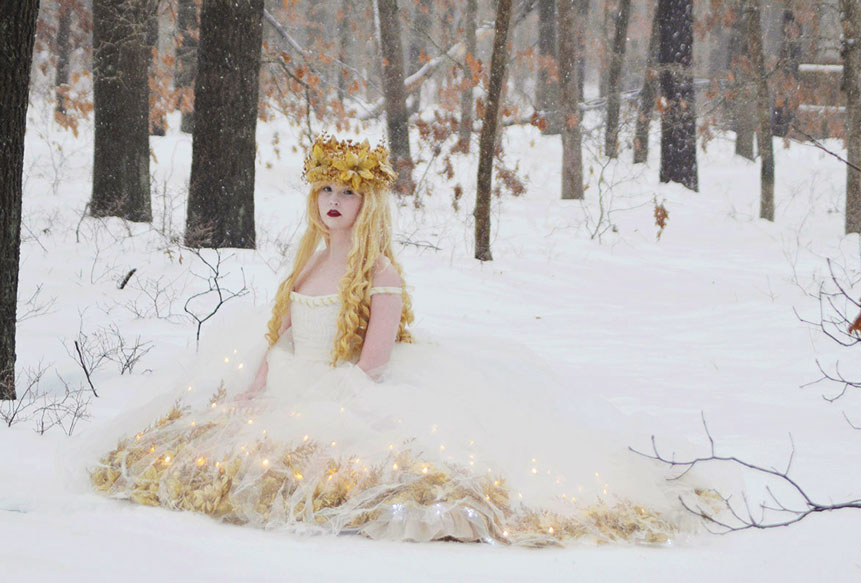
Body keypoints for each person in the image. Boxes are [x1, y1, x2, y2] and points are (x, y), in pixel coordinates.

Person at [90, 136, 691, 546]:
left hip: (349, 389)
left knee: (372, 472)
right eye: (326, 190)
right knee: (203, 452)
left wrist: (324, 404)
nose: (334, 202)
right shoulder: (309, 265)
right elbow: (285, 338)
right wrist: (259, 387)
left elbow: (372, 363)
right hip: (296, 379)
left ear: (368, 201)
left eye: (347, 192)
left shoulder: (380, 274)